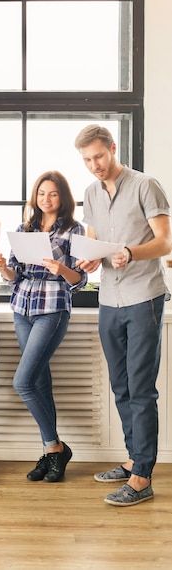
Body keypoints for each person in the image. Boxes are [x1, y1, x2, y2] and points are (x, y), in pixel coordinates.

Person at [74, 124, 172, 507]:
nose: (94, 165)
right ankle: (134, 458)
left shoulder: (146, 185)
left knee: (142, 389)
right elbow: (98, 242)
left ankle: (142, 476)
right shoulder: (90, 193)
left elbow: (164, 241)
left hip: (143, 296)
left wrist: (130, 252)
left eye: (99, 156)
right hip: (108, 301)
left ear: (113, 149)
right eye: (86, 160)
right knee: (121, 386)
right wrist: (91, 257)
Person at [0, 171, 87, 483]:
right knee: (39, 382)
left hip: (53, 308)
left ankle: (55, 447)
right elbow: (13, 275)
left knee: (22, 382)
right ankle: (52, 455)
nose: (46, 199)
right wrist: (1, 266)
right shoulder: (25, 229)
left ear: (63, 198)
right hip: (22, 307)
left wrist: (62, 269)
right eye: (42, 193)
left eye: (53, 194)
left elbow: (81, 280)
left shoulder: (75, 230)